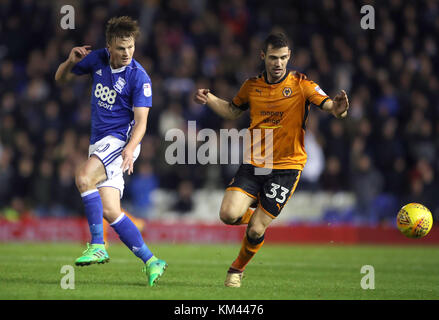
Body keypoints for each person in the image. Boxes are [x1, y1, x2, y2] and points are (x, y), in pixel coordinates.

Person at [193, 33, 349, 287]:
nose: (279, 63)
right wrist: (209, 98)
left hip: (287, 167)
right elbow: (232, 111)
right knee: (228, 215)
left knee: (255, 230)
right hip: (256, 162)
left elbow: (330, 106)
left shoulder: (301, 83)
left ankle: (237, 269)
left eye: (284, 58)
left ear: (289, 57)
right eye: (274, 58)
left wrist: (338, 110)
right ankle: (258, 217)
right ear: (263, 56)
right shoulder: (251, 86)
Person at [55, 16, 167, 286]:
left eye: (130, 47)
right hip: (100, 142)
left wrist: (130, 149)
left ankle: (97, 244)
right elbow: (60, 79)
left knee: (83, 177)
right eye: (120, 48)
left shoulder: (139, 77)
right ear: (109, 46)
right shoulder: (98, 60)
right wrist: (70, 61)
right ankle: (152, 261)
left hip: (120, 142)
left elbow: (142, 122)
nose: (126, 53)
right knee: (110, 210)